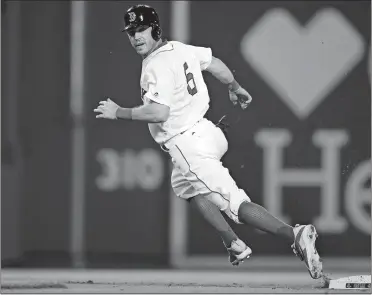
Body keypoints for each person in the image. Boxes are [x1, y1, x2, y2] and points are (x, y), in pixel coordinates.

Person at [94, 4, 323, 279]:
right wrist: (235, 87)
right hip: (208, 132)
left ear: (155, 28)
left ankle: (294, 234)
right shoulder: (182, 49)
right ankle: (234, 243)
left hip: (187, 145)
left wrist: (118, 112)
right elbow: (216, 65)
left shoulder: (155, 65)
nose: (136, 37)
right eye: (131, 32)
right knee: (184, 186)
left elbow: (159, 112)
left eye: (141, 29)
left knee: (235, 205)